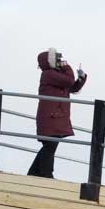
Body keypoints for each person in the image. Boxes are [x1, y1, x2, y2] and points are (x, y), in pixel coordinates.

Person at [27, 48, 88, 179]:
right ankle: (45, 173)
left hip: (56, 117)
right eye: (57, 59)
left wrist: (81, 78)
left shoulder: (56, 75)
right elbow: (69, 81)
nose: (60, 62)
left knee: (50, 146)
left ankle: (35, 172)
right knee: (50, 145)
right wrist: (67, 67)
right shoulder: (48, 74)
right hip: (51, 117)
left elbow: (73, 87)